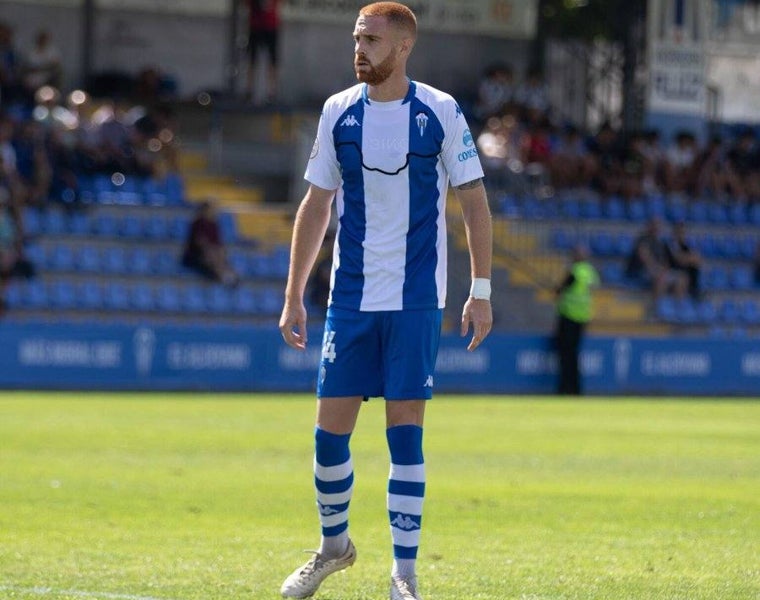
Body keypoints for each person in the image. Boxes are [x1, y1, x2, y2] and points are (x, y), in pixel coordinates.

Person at [277, 3, 493, 599]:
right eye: (356, 38)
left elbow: (474, 201)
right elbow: (316, 204)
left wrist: (481, 289)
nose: (360, 48)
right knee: (328, 436)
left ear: (402, 48)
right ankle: (332, 549)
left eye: (371, 39)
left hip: (416, 299)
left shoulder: (441, 111)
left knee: (405, 437)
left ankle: (404, 572)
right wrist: (294, 293)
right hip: (349, 298)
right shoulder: (337, 112)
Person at [554, 244, 599, 396]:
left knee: (566, 355)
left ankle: (566, 387)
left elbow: (561, 289)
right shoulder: (590, 271)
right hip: (582, 317)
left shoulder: (575, 271)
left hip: (569, 316)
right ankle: (575, 388)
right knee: (573, 355)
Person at [181, 200, 239, 286]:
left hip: (212, 254)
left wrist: (220, 254)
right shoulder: (198, 223)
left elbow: (218, 243)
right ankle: (223, 277)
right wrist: (210, 253)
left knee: (220, 257)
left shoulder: (214, 225)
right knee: (212, 257)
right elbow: (200, 242)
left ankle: (227, 276)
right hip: (196, 256)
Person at [243, 0, 281, 104]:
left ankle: (272, 92)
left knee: (272, 61)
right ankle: (249, 91)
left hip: (270, 26)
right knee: (252, 60)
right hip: (255, 25)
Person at [666, 221, 702, 300]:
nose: (682, 235)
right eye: (679, 232)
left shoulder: (685, 246)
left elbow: (697, 259)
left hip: (685, 272)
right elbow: (679, 259)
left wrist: (687, 259)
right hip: (671, 271)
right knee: (682, 279)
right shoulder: (671, 244)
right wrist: (688, 259)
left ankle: (694, 290)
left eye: (683, 233)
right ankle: (677, 304)